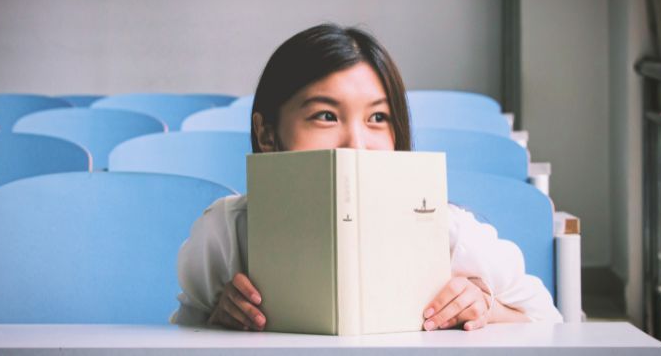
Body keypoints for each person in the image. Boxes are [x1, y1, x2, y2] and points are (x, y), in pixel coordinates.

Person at [172, 23, 563, 332]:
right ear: (267, 133)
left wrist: (487, 308)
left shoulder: (446, 231)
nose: (356, 143)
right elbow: (182, 332)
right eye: (325, 115)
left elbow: (548, 320)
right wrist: (216, 321)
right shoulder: (227, 233)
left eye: (378, 118)